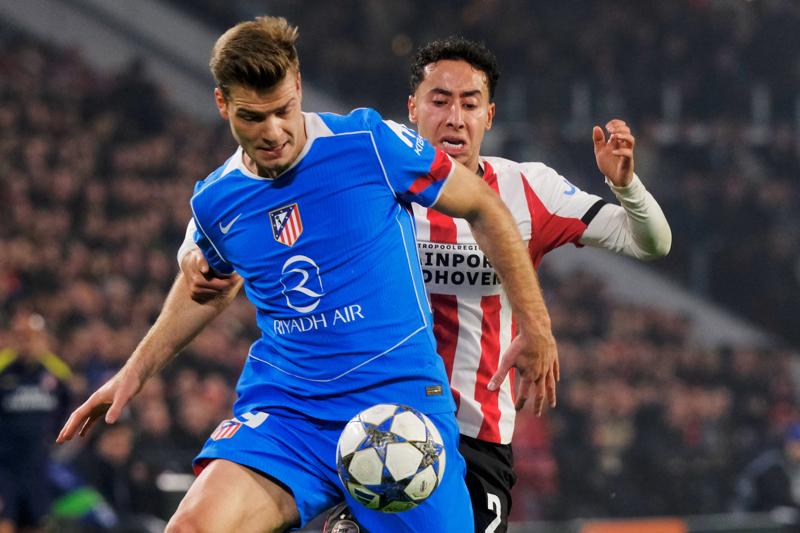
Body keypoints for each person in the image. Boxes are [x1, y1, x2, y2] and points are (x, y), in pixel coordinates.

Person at [57, 19, 559, 533]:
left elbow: (484, 206)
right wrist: (134, 372)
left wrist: (534, 322)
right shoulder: (217, 200)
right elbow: (205, 287)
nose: (273, 132)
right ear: (222, 104)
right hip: (289, 413)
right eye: (253, 117)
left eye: (283, 110)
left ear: (298, 86)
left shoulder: (368, 142)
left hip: (396, 408)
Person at [180, 36, 671, 532]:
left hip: (475, 434)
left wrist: (625, 186)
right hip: (367, 412)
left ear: (489, 116)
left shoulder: (528, 188)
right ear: (412, 109)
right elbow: (248, 199)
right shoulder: (377, 176)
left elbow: (651, 242)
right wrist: (189, 249)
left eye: (469, 104)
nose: (454, 117)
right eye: (439, 101)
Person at [0, 312, 71, 533]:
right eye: (20, 337)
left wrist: (54, 440)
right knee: (5, 521)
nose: (26, 343)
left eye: (31, 337)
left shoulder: (56, 372)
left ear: (42, 339)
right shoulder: (3, 369)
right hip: (5, 466)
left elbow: (67, 408)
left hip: (37, 464)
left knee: (38, 522)